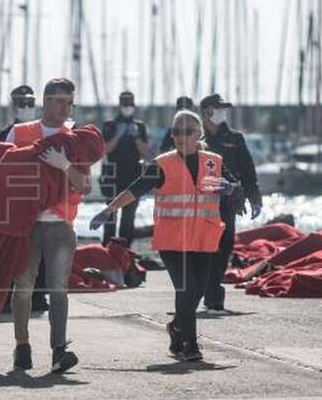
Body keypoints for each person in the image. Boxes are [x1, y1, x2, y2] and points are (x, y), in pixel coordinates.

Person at [90, 109, 237, 361]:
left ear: (199, 134)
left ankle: (177, 326)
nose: (180, 136)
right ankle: (190, 346)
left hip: (204, 238)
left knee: (198, 291)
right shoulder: (162, 164)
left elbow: (233, 185)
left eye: (187, 131)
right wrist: (109, 209)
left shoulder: (213, 161)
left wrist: (231, 188)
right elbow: (135, 189)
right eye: (176, 131)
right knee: (186, 289)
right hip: (173, 240)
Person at [5, 78, 91, 373]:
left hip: (60, 225)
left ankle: (58, 351)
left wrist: (64, 166)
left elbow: (86, 185)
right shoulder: (18, 133)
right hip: (26, 225)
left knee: (59, 290)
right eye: (59, 101)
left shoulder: (76, 137)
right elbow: (0, 175)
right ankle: (22, 347)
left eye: (69, 102)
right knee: (23, 288)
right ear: (45, 100)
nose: (65, 107)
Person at [198, 93, 263, 313]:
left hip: (228, 201)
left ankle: (214, 298)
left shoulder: (235, 138)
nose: (222, 112)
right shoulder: (196, 139)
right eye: (218, 108)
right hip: (200, 203)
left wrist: (254, 198)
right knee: (203, 249)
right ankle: (194, 295)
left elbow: (247, 170)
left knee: (224, 246)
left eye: (224, 109)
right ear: (206, 111)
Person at [0, 84, 49, 315]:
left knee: (41, 250)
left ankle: (39, 297)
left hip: (40, 196)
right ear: (14, 105)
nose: (26, 107)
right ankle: (6, 298)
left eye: (30, 103)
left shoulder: (44, 130)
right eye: (21, 103)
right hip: (15, 197)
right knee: (13, 249)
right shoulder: (6, 132)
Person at [99, 91, 149, 247]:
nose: (127, 108)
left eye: (130, 105)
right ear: (119, 106)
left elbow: (144, 151)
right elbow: (105, 149)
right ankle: (107, 248)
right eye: (125, 105)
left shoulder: (140, 126)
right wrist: (118, 135)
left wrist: (135, 136)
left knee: (129, 215)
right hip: (114, 173)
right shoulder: (109, 125)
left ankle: (125, 250)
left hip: (133, 173)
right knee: (110, 213)